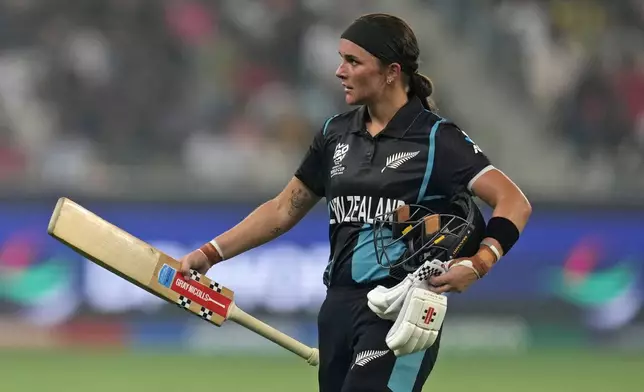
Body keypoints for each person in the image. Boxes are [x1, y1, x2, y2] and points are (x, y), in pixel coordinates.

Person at [179, 13, 532, 392]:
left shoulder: (435, 139)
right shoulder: (335, 133)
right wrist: (211, 253)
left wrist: (480, 263)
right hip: (337, 309)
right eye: (341, 59)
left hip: (399, 309)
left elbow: (513, 201)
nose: (338, 71)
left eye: (353, 61)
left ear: (391, 72)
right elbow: (283, 209)